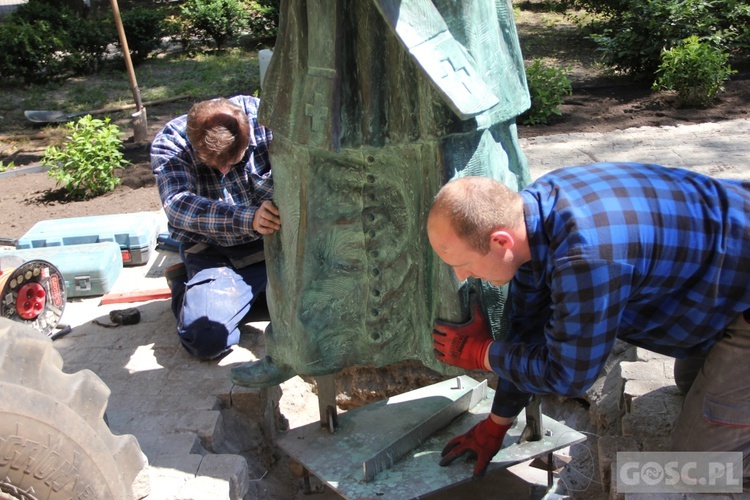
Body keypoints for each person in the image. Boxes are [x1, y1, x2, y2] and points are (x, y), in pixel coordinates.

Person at [427, 162, 750, 479]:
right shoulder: (533, 213)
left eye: (465, 263)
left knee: (696, 469)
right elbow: (527, 329)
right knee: (689, 381)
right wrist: (497, 423)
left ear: (500, 242)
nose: (461, 275)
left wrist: (483, 354)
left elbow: (568, 375)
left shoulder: (585, 258)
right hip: (725, 280)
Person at [151, 95, 281, 360]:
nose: (223, 170)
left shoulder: (271, 120)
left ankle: (250, 297)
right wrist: (248, 218)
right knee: (207, 339)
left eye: (232, 161)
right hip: (217, 254)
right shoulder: (172, 143)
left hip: (281, 245)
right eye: (213, 162)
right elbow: (178, 205)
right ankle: (186, 288)